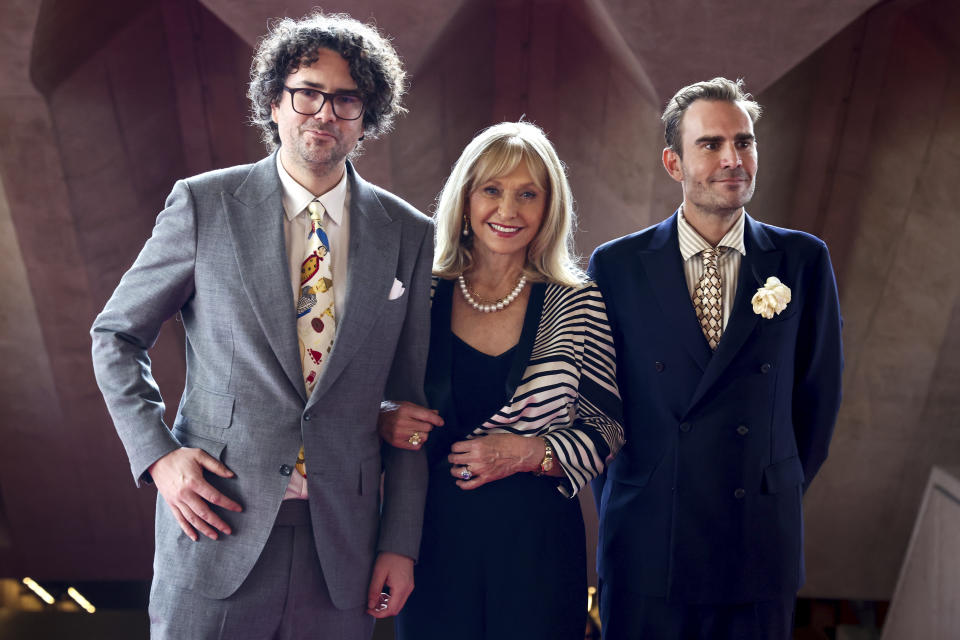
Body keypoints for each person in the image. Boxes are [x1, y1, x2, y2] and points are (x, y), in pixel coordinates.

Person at [90, 12, 433, 640]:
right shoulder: (203, 205)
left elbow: (411, 403)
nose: (325, 113)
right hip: (216, 528)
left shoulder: (409, 232)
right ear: (275, 101)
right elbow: (116, 335)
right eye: (308, 92)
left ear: (367, 118)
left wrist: (401, 543)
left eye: (347, 99)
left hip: (344, 548)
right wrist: (159, 456)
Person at [588, 77, 844, 639]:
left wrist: (770, 489)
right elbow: (595, 407)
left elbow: (817, 402)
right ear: (673, 163)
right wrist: (643, 492)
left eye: (745, 142)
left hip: (757, 542)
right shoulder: (617, 266)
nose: (733, 159)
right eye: (710, 144)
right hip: (648, 541)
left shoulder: (802, 260)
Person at [378, 121, 625, 640]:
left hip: (536, 544)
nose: (508, 211)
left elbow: (607, 427)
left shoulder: (578, 302)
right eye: (492, 190)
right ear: (466, 199)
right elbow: (366, 396)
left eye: (527, 194)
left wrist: (528, 453)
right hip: (428, 538)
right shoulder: (417, 294)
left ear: (548, 207)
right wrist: (383, 419)